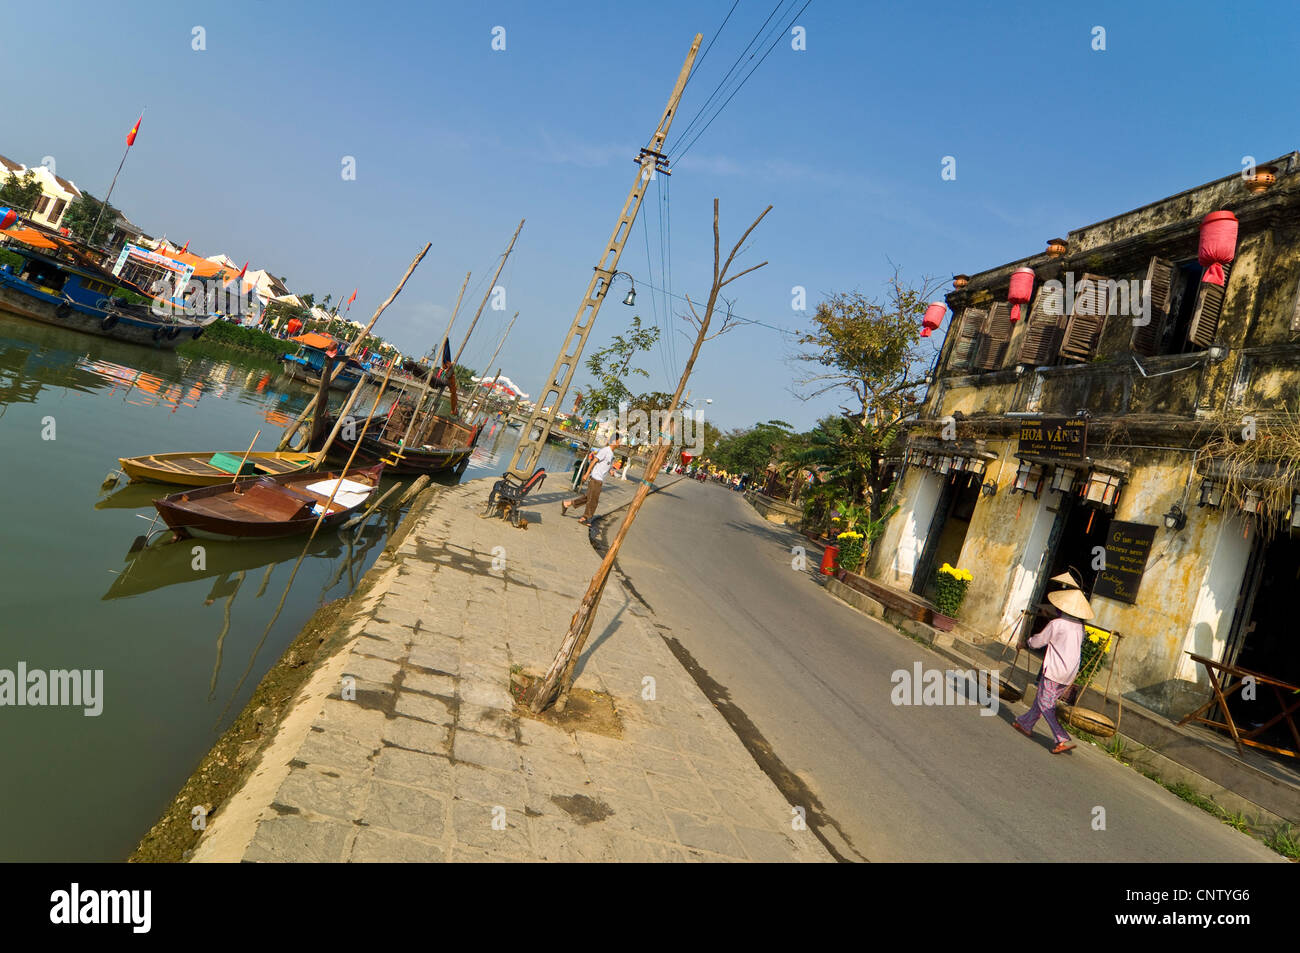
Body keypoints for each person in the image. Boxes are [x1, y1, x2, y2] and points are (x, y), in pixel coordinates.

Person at [1012, 587, 1093, 753]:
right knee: (1043, 699)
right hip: (1069, 673)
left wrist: (1025, 643)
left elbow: (1038, 642)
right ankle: (1025, 723)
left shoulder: (1056, 624)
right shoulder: (1079, 627)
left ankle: (1062, 738)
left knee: (1045, 702)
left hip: (1054, 670)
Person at [563, 436, 621, 525]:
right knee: (593, 500)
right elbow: (594, 461)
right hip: (595, 478)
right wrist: (586, 474)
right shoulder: (605, 450)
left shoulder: (611, 454)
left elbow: (606, 466)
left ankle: (567, 503)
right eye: (619, 440)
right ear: (614, 441)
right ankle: (585, 518)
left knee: (588, 498)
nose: (620, 443)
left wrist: (611, 471)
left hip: (599, 479)